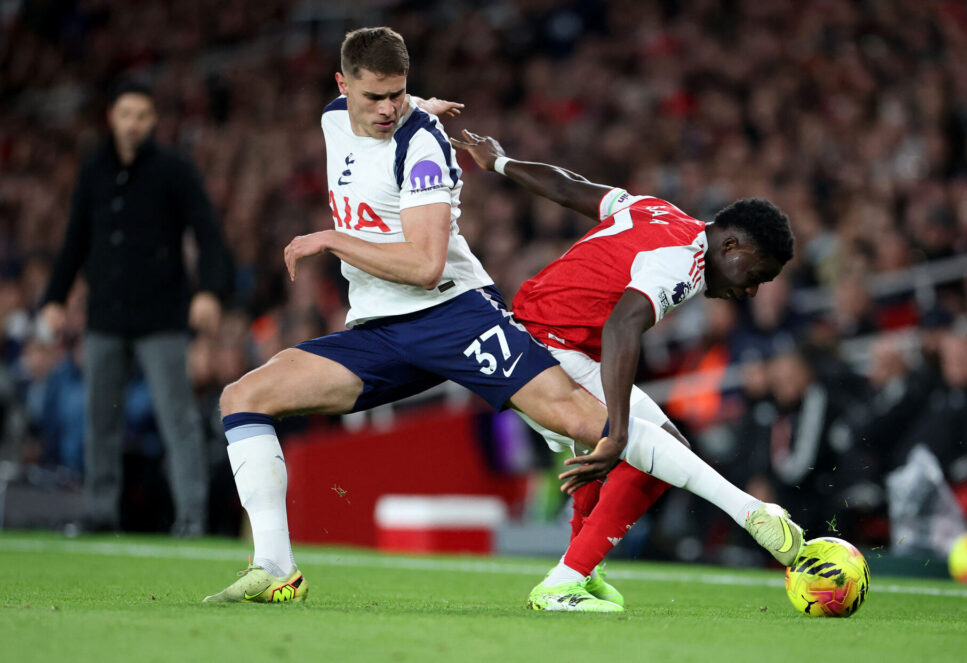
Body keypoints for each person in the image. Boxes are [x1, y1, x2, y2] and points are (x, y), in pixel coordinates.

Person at [203, 27, 803, 608]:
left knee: (595, 426)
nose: (387, 109)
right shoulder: (335, 118)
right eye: (374, 97)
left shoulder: (424, 149)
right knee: (243, 397)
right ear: (343, 86)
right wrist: (445, 122)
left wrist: (333, 237)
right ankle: (275, 569)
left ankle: (747, 518)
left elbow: (424, 266)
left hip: (455, 316)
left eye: (397, 94)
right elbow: (574, 188)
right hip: (381, 328)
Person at [450, 130, 798, 610]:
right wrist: (615, 429)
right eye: (755, 275)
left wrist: (500, 163)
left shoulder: (658, 211)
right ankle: (751, 514)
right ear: (731, 245)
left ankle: (578, 573)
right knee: (652, 452)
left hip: (552, 337)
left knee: (658, 453)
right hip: (547, 347)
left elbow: (568, 187)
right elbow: (622, 326)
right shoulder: (684, 263)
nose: (752, 291)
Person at [40, 80, 232, 537]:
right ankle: (100, 511)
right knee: (100, 417)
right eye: (126, 114)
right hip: (105, 315)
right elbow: (75, 239)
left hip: (161, 316)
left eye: (142, 115)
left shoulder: (173, 168)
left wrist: (209, 290)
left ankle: (191, 516)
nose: (133, 124)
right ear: (111, 116)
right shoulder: (94, 169)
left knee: (177, 418)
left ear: (153, 120)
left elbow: (207, 232)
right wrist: (54, 298)